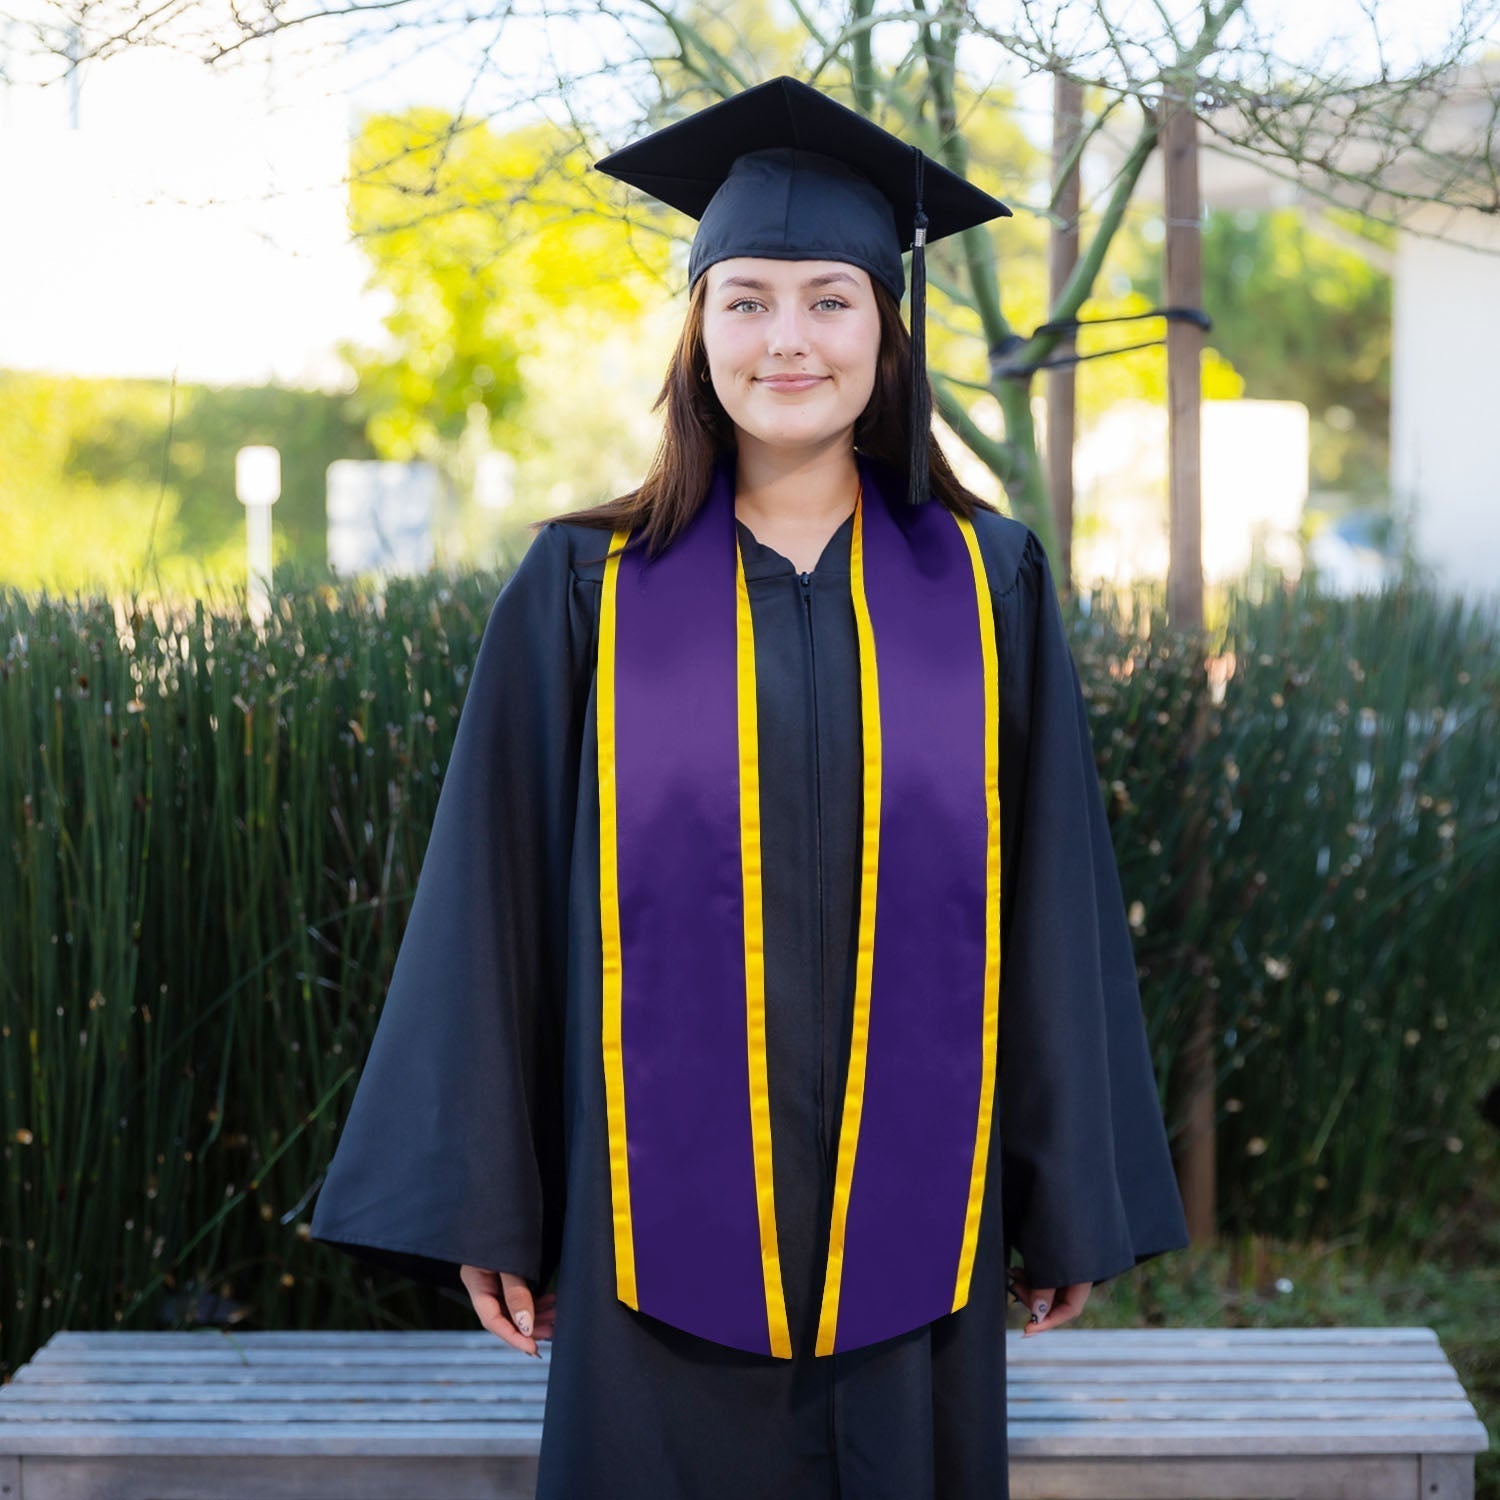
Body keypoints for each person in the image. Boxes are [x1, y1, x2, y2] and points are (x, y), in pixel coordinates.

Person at [309, 75, 1190, 1499]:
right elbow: (496, 897)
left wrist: (1063, 1195)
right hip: (645, 1235)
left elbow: (1053, 900)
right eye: (749, 301)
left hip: (923, 1234)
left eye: (832, 299)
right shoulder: (582, 589)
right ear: (697, 334)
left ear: (887, 334)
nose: (789, 340)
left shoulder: (988, 585)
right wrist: (494, 1195)